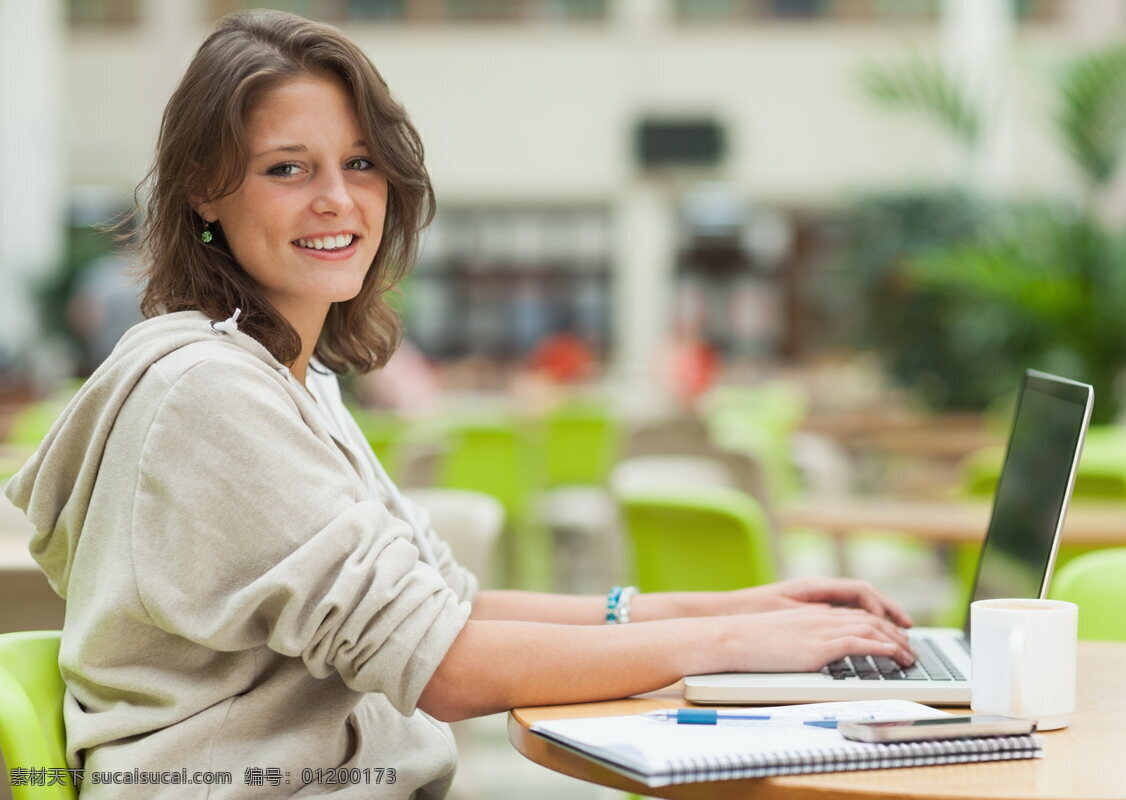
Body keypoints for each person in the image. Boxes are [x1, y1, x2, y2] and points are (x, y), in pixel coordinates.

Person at [5, 10, 916, 799]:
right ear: (208, 189)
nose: (338, 199)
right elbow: (447, 670)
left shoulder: (287, 376)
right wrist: (732, 649)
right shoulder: (208, 392)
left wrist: (739, 611)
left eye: (360, 162)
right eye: (288, 168)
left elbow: (449, 610)